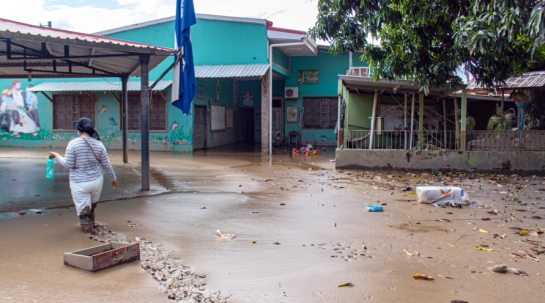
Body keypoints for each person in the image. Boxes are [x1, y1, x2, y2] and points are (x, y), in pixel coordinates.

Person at [49, 118, 118, 233]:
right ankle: (93, 224)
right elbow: (106, 164)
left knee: (84, 210)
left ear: (78, 130)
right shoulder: (99, 144)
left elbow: (68, 164)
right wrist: (113, 178)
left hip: (79, 183)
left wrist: (56, 156)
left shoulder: (73, 143)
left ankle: (88, 234)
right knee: (92, 206)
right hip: (97, 181)